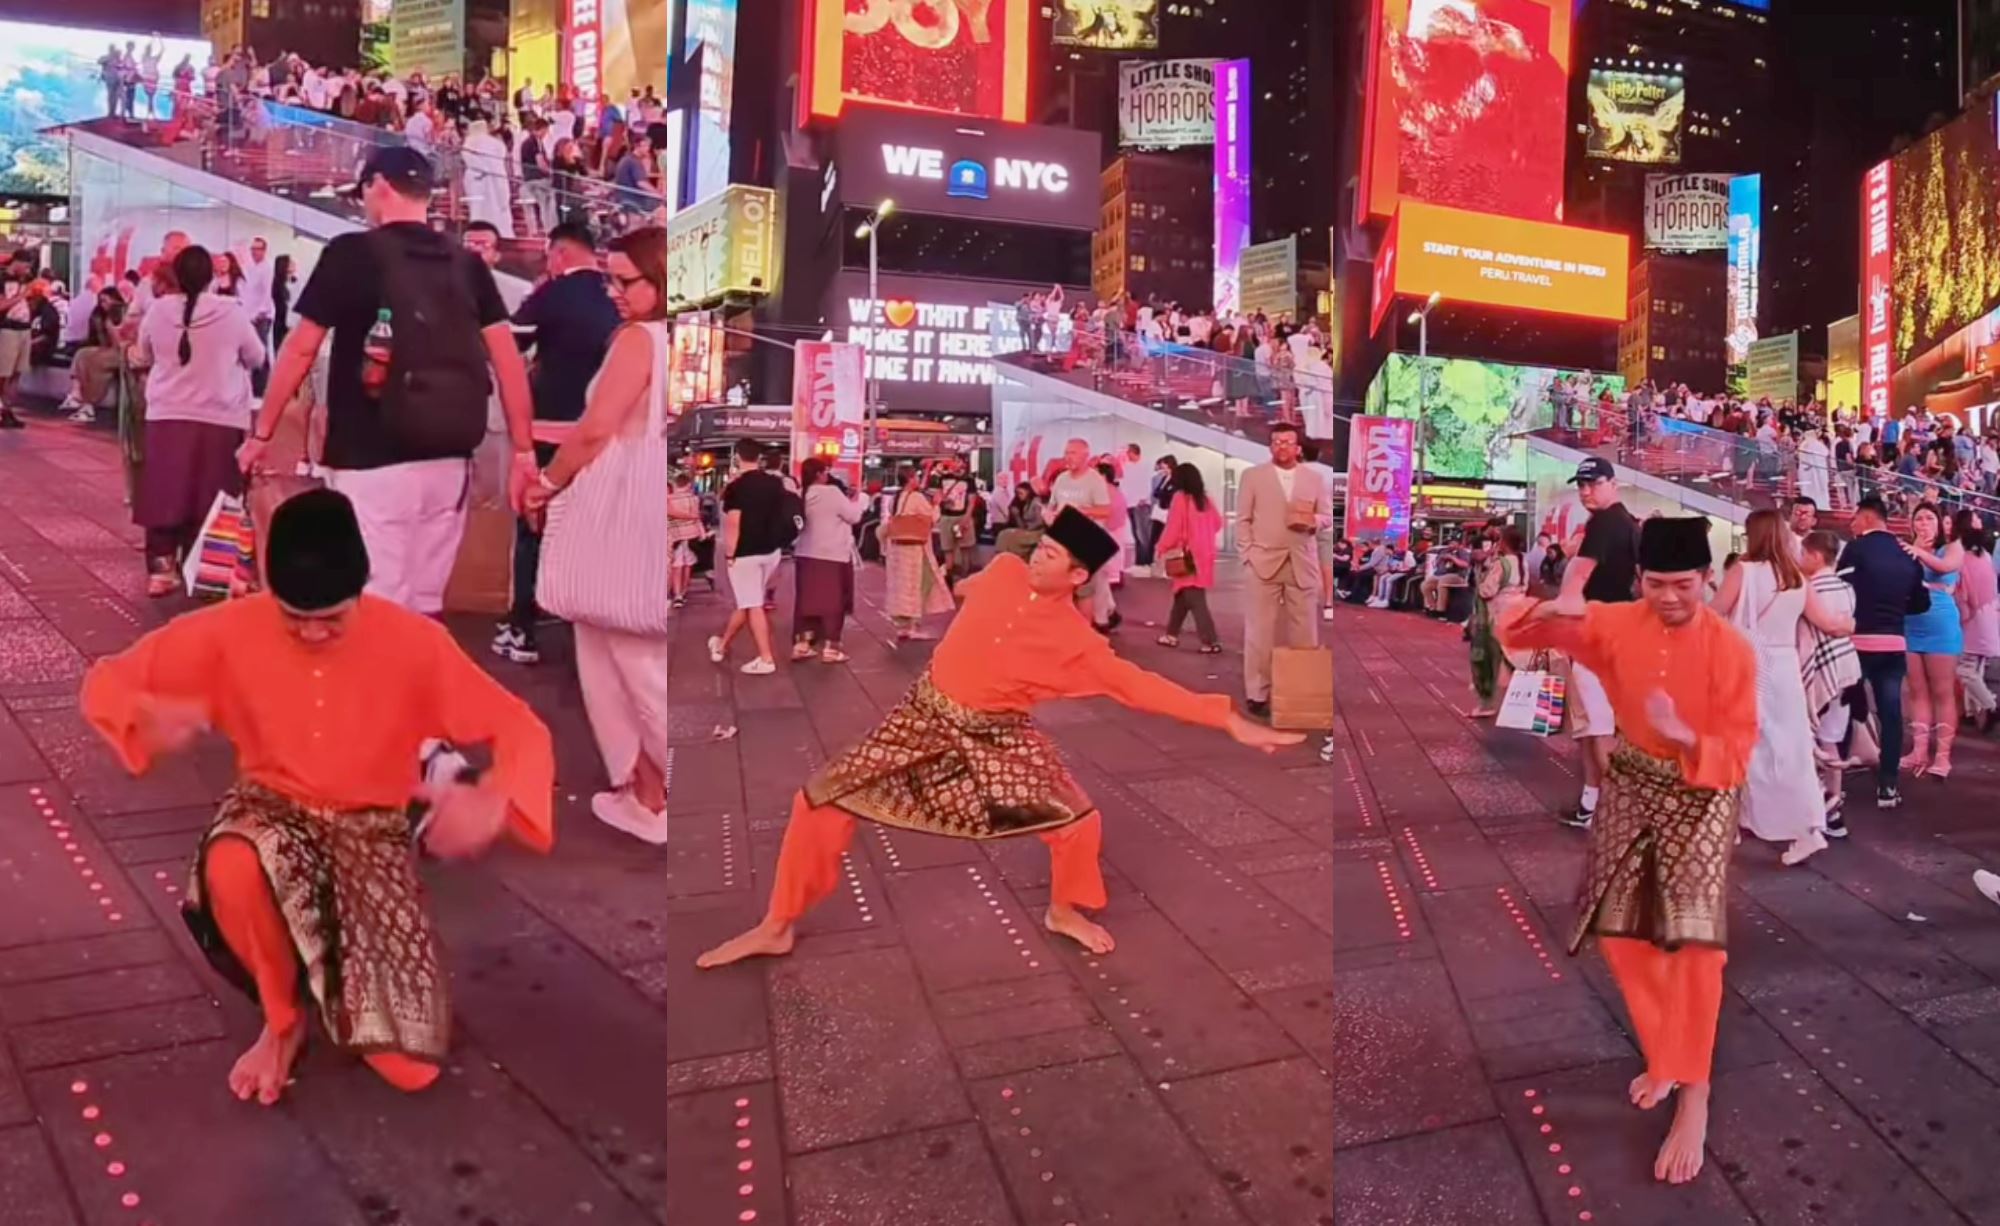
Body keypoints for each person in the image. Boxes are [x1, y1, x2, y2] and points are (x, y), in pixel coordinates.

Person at [79, 489, 555, 1104]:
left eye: (330, 618)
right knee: (233, 861)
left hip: (368, 830)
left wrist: (493, 796)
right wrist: (144, 713)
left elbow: (520, 726)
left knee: (411, 1069)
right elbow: (107, 681)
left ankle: (325, 969)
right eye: (293, 616)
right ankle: (283, 1021)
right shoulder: (231, 628)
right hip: (269, 810)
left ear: (361, 590)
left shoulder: (413, 642)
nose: (310, 631)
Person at [696, 509, 1304, 970]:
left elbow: (1140, 687)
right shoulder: (1008, 570)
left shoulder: (1078, 644)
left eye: (1054, 557)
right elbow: (971, 590)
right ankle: (778, 923)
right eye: (1041, 547)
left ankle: (1064, 908)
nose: (1039, 559)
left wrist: (1227, 718)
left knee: (1077, 822)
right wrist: (952, 588)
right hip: (923, 716)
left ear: (1079, 575)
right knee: (817, 800)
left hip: (996, 736)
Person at [1499, 516, 1757, 1187]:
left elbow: (1737, 752)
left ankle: (1694, 1095)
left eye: (1685, 584)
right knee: (1618, 932)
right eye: (1657, 583)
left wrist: (1688, 738)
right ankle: (1667, 1052)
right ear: (1639, 580)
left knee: (1694, 945)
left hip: (1704, 796)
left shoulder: (1732, 650)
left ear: (1708, 579)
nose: (1671, 597)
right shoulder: (1616, 623)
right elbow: (1520, 636)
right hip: (1633, 783)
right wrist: (1541, 606)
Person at [239, 147, 538, 616]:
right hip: (451, 451)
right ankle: (417, 686)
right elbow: (506, 360)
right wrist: (524, 451)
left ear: (378, 185)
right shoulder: (467, 262)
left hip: (371, 452)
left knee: (377, 595)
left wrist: (262, 434)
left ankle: (382, 687)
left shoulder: (351, 253)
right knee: (426, 599)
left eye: (363, 192)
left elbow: (300, 349)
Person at [519, 228, 671, 843]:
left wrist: (546, 485)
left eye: (624, 280)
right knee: (639, 656)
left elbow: (594, 430)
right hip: (651, 502)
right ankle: (649, 791)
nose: (612, 291)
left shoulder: (639, 339)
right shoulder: (680, 339)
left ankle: (655, 796)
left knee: (621, 658)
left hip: (617, 508)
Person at [494, 222, 620, 665]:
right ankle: (584, 631)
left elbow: (507, 346)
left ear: (558, 254)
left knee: (532, 526)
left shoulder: (552, 294)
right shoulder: (616, 296)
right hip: (603, 436)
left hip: (549, 432)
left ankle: (522, 629)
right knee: (589, 530)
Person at [1711, 510, 1851, 865]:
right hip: (1785, 668)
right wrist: (1849, 623)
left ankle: (1735, 823)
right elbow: (1829, 624)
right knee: (1791, 749)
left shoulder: (1744, 570)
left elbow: (1712, 615)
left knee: (1742, 744)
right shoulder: (1796, 578)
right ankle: (1807, 828)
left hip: (1748, 665)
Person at [132, 246, 265, 596]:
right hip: (220, 418)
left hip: (166, 414)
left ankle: (162, 571)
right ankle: (211, 570)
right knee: (214, 492)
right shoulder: (232, 314)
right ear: (212, 277)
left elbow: (142, 353)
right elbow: (256, 356)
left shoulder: (158, 310)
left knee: (165, 490)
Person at [1558, 457, 1642, 829]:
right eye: (1581, 484)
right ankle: (1592, 803)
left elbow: (1578, 577)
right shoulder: (1624, 523)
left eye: (1593, 484)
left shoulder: (1607, 523)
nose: (1585, 491)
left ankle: (1616, 809)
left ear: (1613, 483)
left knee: (1599, 726)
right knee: (1593, 725)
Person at [1838, 496, 1930, 808]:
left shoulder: (1855, 549)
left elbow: (1840, 591)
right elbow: (1921, 603)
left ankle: (1833, 785)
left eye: (1855, 518)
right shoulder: (1907, 554)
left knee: (1843, 710)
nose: (1852, 525)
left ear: (1865, 517)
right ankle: (1888, 787)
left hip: (1857, 643)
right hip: (1893, 644)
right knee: (1891, 715)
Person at [1237, 422, 1330, 718]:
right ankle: (1257, 692)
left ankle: (1302, 692)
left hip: (1302, 562)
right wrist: (1247, 554)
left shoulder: (1314, 478)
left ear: (1298, 447)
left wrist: (1313, 520)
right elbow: (1242, 519)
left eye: (1288, 442)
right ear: (1270, 446)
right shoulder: (1253, 476)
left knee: (1305, 633)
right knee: (1259, 632)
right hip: (1262, 561)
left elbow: (1327, 516)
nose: (1282, 447)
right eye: (1276, 442)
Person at [1797, 530, 1861, 838]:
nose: (1799, 559)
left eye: (1802, 554)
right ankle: (1834, 810)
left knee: (1812, 742)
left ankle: (1817, 810)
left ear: (1815, 556)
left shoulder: (1808, 590)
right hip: (1848, 670)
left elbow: (1810, 634)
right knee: (1831, 739)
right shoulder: (1847, 589)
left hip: (1821, 676)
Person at [708, 438, 789, 673]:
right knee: (748, 600)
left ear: (737, 457)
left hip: (745, 554)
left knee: (752, 604)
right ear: (759, 458)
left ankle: (766, 659)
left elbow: (733, 523)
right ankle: (721, 645)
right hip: (771, 551)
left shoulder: (736, 487)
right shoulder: (775, 484)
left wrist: (730, 554)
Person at [1899, 501, 1965, 778]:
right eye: (1919, 518)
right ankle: (1919, 749)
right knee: (1917, 691)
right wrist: (1913, 550)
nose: (1923, 523)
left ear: (1939, 523)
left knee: (1942, 691)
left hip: (1941, 625)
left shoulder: (1952, 547)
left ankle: (1943, 756)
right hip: (1911, 624)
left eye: (1928, 518)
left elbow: (1945, 565)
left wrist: (1919, 552)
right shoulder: (1907, 549)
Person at [792, 457, 865, 662]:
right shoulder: (832, 493)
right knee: (833, 602)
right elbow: (854, 516)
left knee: (805, 601)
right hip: (832, 556)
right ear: (818, 474)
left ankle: (802, 644)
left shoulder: (801, 494)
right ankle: (831, 648)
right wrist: (854, 500)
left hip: (805, 554)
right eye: (825, 471)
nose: (827, 475)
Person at [1153, 462, 1224, 653]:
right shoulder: (1205, 499)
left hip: (1187, 554)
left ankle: (1210, 641)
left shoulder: (1180, 498)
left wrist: (1162, 546)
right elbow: (1218, 523)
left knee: (1194, 597)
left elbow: (1173, 528)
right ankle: (1171, 634)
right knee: (1183, 595)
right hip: (1205, 553)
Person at [1047, 440, 1118, 630]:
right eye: (1066, 452)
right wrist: (1048, 514)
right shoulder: (1061, 479)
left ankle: (1085, 632)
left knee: (1084, 589)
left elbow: (1106, 511)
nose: (1068, 457)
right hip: (1062, 540)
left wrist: (1081, 511)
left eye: (1073, 453)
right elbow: (1052, 505)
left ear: (1085, 456)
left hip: (1086, 541)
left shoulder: (1094, 480)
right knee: (1063, 588)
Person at [881, 464, 955, 639]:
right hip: (914, 547)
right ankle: (913, 626)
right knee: (917, 584)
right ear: (910, 479)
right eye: (915, 477)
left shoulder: (896, 498)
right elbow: (932, 518)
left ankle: (901, 626)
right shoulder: (916, 498)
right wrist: (936, 504)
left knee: (899, 587)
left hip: (897, 547)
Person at [1469, 527, 1528, 717]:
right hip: (1519, 612)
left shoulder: (1501, 564)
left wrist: (1481, 574)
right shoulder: (1522, 561)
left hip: (1496, 614)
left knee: (1487, 659)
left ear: (1504, 542)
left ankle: (1487, 703)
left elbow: (1487, 590)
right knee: (1514, 659)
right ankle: (1520, 701)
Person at [1955, 510, 2000, 728]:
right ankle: (1972, 712)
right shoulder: (1984, 555)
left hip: (1975, 618)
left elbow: (1965, 594)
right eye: (1976, 519)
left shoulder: (1964, 557)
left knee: (1966, 669)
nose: (1981, 521)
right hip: (1987, 615)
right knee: (1976, 667)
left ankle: (1990, 705)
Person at [59, 287, 128, 424]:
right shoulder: (98, 314)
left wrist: (110, 326)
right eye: (100, 301)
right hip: (107, 349)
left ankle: (89, 405)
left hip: (123, 351)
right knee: (81, 354)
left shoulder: (121, 313)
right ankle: (76, 393)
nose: (103, 304)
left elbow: (119, 343)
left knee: (96, 364)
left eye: (105, 300)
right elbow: (97, 339)